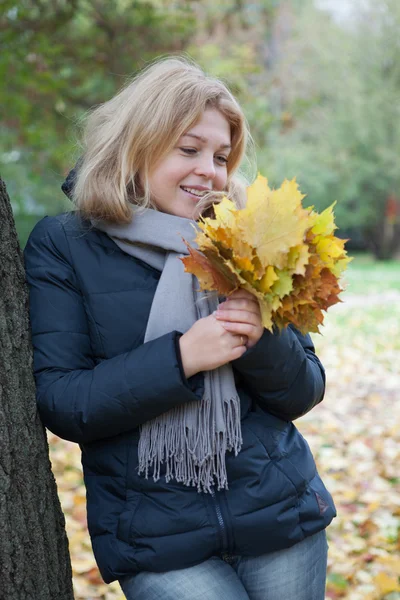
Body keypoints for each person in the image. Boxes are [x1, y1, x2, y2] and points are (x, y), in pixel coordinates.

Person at [24, 56, 336, 600]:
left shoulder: (244, 234)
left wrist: (264, 339)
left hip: (279, 518)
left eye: (220, 156)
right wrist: (182, 358)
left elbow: (305, 389)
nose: (209, 172)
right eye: (188, 150)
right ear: (136, 143)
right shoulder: (65, 244)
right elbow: (64, 401)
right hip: (155, 538)